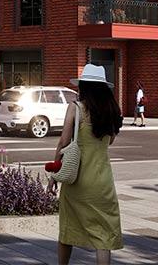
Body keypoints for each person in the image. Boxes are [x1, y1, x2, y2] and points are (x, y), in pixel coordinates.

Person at [54, 64, 123, 265]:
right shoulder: (111, 111)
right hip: (103, 182)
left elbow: (63, 142)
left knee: (67, 228)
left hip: (78, 181)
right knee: (103, 237)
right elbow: (108, 142)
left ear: (83, 86)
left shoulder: (76, 108)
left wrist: (54, 172)